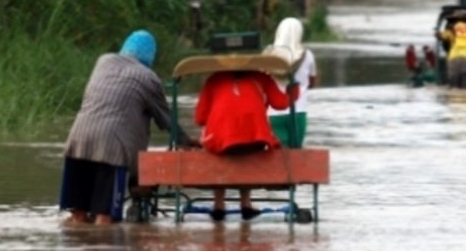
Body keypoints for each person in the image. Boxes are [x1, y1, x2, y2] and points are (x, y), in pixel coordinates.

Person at [59, 29, 196, 225]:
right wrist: (185, 141)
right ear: (150, 55)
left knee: (77, 217)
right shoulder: (149, 78)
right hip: (112, 149)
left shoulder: (103, 62)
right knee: (104, 217)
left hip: (77, 141)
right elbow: (166, 120)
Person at [194, 69, 297, 221]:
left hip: (222, 141)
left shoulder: (215, 79)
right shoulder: (262, 77)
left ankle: (218, 204)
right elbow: (281, 103)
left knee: (219, 149)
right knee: (247, 149)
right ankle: (245, 203)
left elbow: (200, 118)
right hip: (256, 138)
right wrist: (294, 90)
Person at [265, 17, 318, 149]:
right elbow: (312, 82)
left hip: (274, 114)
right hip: (298, 113)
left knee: (277, 155)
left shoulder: (268, 55)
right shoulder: (307, 55)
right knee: (296, 155)